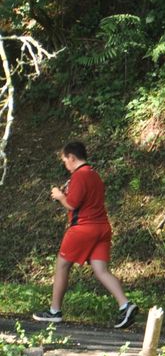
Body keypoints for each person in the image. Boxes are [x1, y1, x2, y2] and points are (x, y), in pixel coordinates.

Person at [32, 141, 139, 329]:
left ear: (72, 158)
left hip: (83, 228)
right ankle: (126, 305)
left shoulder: (79, 176)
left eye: (65, 160)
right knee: (101, 270)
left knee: (62, 266)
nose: (65, 165)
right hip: (102, 228)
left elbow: (72, 204)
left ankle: (54, 311)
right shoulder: (94, 175)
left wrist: (59, 195)